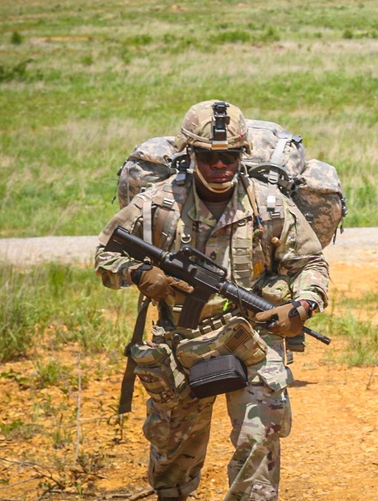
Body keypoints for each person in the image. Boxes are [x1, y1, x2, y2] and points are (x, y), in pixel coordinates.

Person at [95, 100, 330, 501]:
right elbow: (105, 255)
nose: (220, 166)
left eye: (230, 156)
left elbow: (310, 262)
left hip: (253, 338)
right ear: (190, 155)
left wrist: (302, 306)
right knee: (173, 455)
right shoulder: (159, 203)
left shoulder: (269, 204)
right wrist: (140, 273)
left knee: (260, 438)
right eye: (208, 157)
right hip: (180, 341)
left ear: (243, 155)